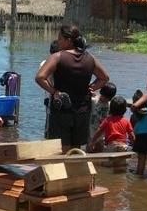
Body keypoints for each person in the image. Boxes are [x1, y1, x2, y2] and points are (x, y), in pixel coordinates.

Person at [36, 25, 110, 153]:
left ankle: (62, 172)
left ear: (68, 40)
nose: (57, 41)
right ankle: (75, 172)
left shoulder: (57, 57)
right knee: (76, 150)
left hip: (61, 111)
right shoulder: (89, 58)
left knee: (61, 150)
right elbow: (104, 78)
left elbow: (40, 77)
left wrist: (54, 91)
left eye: (60, 38)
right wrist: (92, 87)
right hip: (82, 111)